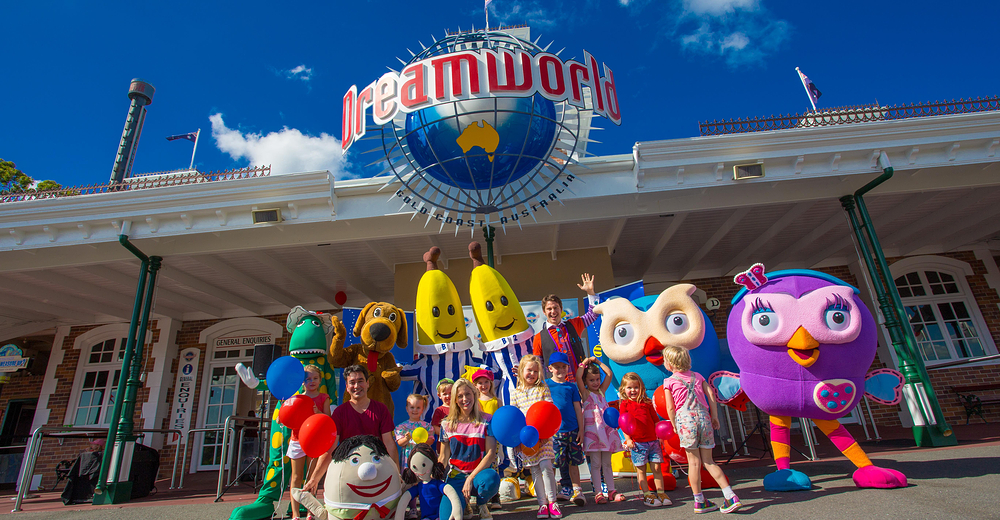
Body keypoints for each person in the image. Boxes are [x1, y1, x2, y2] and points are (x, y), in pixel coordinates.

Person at [662, 346, 741, 514]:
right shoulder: (698, 377)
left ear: (669, 363)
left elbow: (670, 407)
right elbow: (711, 395)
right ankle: (730, 495)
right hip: (703, 417)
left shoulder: (669, 382)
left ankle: (699, 501)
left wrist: (674, 423)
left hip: (685, 420)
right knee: (709, 461)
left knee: (694, 463)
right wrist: (714, 416)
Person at [304, 364, 398, 494]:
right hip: (349, 471)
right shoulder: (339, 413)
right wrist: (314, 478)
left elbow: (389, 443)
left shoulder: (381, 409)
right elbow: (330, 447)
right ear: (347, 387)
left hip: (376, 468)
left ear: (367, 383)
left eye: (360, 381)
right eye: (352, 382)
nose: (356, 386)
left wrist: (396, 474)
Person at [438, 378, 501, 520]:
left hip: (479, 475)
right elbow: (443, 457)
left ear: (474, 395)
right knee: (446, 517)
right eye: (459, 396)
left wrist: (470, 478)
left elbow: (490, 454)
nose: (464, 399)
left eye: (468, 394)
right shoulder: (446, 424)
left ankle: (481, 503)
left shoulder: (487, 420)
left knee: (491, 478)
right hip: (456, 476)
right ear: (454, 399)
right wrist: (433, 478)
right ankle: (464, 504)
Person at [510, 355, 561, 519]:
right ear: (521, 371)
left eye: (535, 371)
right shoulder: (515, 393)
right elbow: (514, 418)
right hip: (527, 441)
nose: (532, 373)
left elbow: (549, 410)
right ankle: (542, 504)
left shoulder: (542, 389)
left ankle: (553, 502)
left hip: (544, 437)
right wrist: (518, 441)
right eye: (529, 370)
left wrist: (546, 434)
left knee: (546, 467)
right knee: (535, 471)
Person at [575, 357, 625, 504]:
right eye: (592, 380)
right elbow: (578, 375)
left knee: (607, 463)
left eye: (597, 379)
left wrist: (597, 362)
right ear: (586, 382)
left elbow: (608, 374)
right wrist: (584, 362)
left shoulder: (602, 392)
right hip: (593, 433)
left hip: (605, 432)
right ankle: (598, 492)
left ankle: (611, 490)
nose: (596, 383)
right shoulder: (585, 393)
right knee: (596, 464)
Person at [532, 274, 599, 382]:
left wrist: (591, 293)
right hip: (557, 389)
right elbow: (537, 365)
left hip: (581, 383)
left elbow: (593, 315)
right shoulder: (539, 337)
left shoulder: (574, 324)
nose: (553, 312)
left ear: (561, 309)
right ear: (544, 312)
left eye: (555, 308)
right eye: (549, 309)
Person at [618, 372, 671, 507]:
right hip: (637, 444)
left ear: (641, 388)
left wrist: (659, 437)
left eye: (636, 387)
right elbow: (624, 423)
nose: (633, 390)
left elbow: (655, 421)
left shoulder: (647, 403)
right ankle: (647, 494)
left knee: (657, 468)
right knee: (641, 470)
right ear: (624, 390)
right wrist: (628, 439)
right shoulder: (624, 404)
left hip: (653, 441)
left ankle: (661, 492)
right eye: (629, 388)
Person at [288, 365, 332, 520]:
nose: (311, 381)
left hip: (314, 442)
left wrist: (317, 412)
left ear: (320, 380)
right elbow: (285, 418)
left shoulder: (323, 398)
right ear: (302, 382)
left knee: (311, 478)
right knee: (296, 477)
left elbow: (328, 420)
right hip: (297, 440)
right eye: (308, 379)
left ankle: (309, 512)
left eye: (315, 378)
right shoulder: (296, 398)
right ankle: (295, 514)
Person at [544, 351, 586, 505]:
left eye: (563, 367)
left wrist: (581, 430)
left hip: (573, 431)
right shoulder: (546, 385)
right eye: (557, 367)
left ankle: (577, 491)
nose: (560, 370)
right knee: (554, 463)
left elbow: (577, 409)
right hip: (555, 433)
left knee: (573, 463)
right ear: (550, 368)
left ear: (568, 368)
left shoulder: (572, 387)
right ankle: (551, 493)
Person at [396, 393, 435, 519]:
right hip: (408, 461)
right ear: (407, 409)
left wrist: (424, 440)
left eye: (418, 407)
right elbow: (400, 443)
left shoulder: (426, 426)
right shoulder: (401, 427)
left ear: (422, 409)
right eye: (412, 407)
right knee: (410, 483)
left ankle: (425, 508)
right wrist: (406, 438)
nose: (415, 410)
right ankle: (412, 508)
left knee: (423, 483)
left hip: (423, 461)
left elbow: (431, 441)